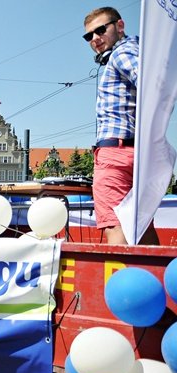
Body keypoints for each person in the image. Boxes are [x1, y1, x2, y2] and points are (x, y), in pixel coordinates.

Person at [83, 6, 158, 245]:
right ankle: (157, 281)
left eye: (101, 30)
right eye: (89, 36)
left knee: (115, 226)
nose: (95, 38)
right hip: (136, 153)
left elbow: (148, 82)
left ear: (120, 26)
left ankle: (123, 280)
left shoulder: (121, 53)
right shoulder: (131, 51)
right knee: (142, 227)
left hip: (114, 155)